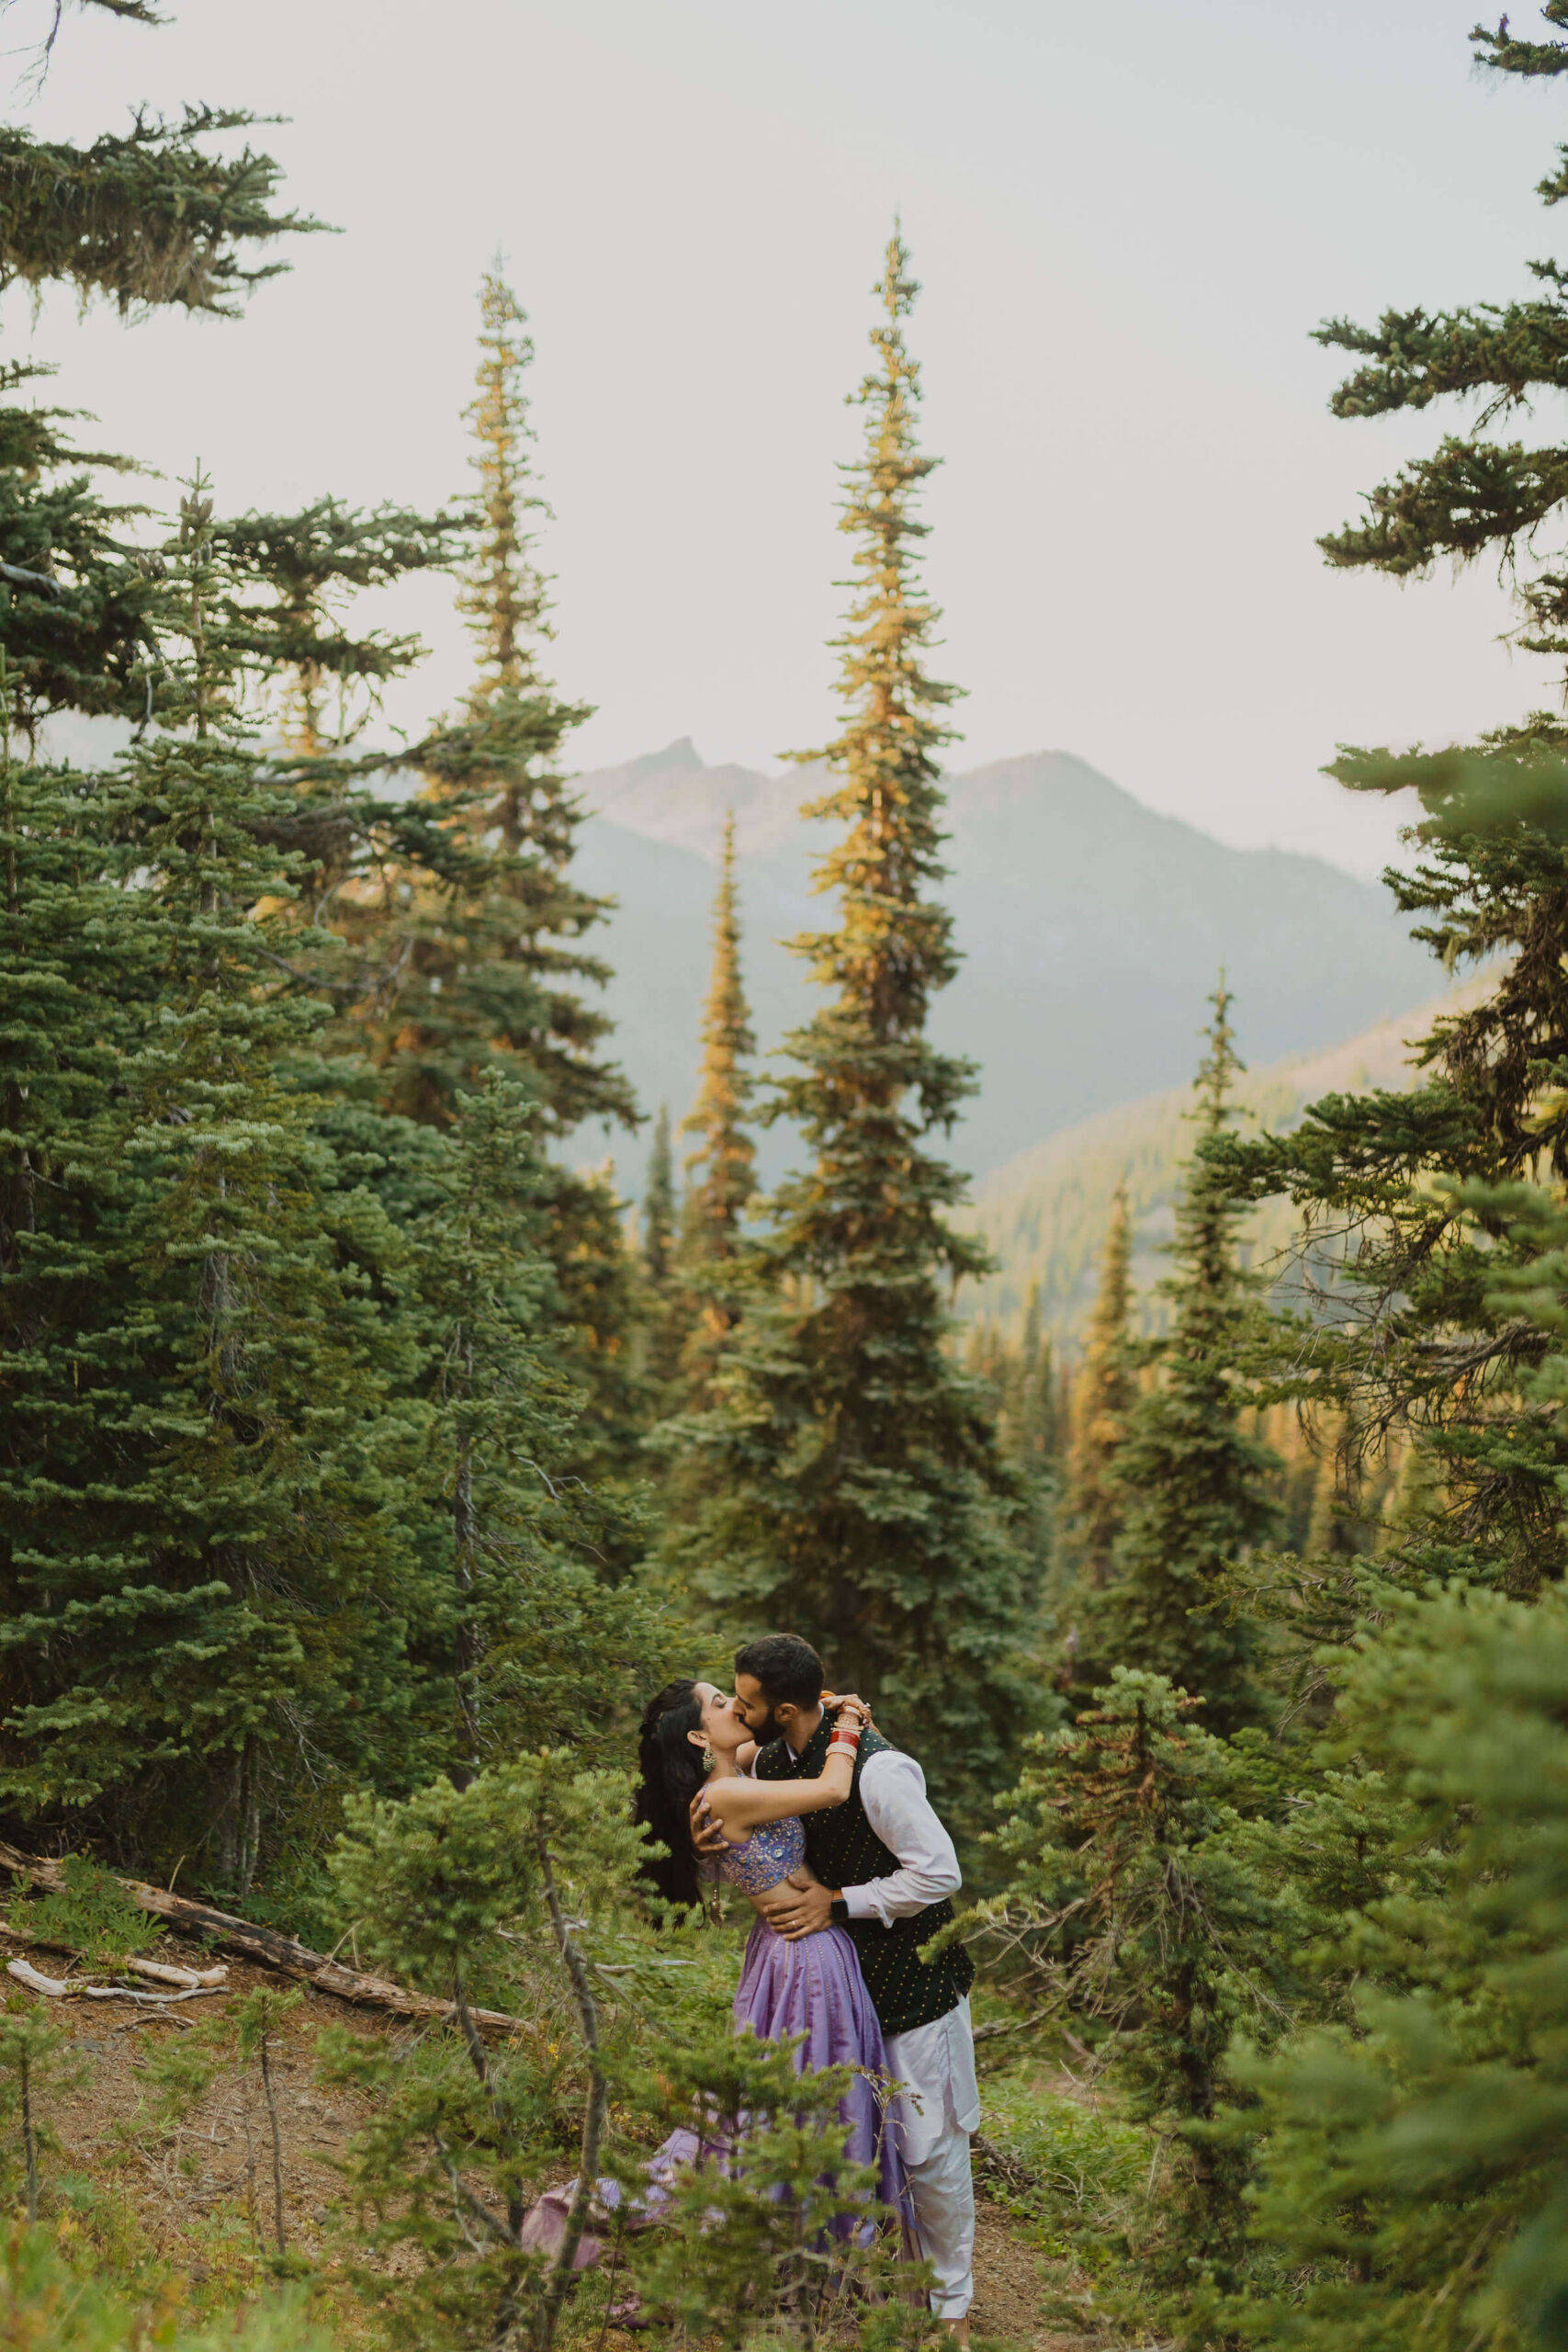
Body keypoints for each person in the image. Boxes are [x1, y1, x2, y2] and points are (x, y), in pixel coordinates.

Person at [521, 1677, 908, 2283]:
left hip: (788, 1951)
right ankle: (794, 2232)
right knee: (808, 2086)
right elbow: (832, 1788)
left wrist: (826, 1706)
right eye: (722, 1703)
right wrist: (852, 1723)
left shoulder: (732, 1776)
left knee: (806, 2089)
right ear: (700, 1734)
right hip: (801, 1956)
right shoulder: (724, 1796)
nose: (737, 1707)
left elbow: (776, 1737)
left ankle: (804, 2226)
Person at [694, 1634, 979, 2344]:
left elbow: (940, 1874)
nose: (739, 1707)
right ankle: (859, 2278)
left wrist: (839, 1901)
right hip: (830, 1993)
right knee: (845, 2137)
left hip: (912, 1984)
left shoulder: (879, 1774)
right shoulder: (773, 1757)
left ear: (782, 1706)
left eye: (747, 1700)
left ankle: (952, 2308)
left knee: (927, 2146)